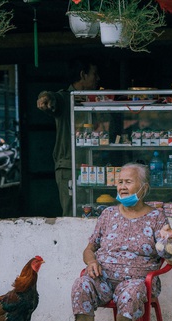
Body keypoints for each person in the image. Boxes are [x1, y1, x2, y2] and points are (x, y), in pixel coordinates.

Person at [71, 162, 172, 321]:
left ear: (143, 188)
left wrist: (169, 244)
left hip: (137, 281)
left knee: (133, 291)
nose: (121, 186)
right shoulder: (107, 215)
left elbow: (171, 257)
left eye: (128, 182)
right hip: (102, 278)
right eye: (119, 182)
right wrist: (91, 261)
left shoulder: (156, 217)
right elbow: (89, 248)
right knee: (80, 285)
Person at [36, 57, 101, 216]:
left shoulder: (93, 99)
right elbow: (52, 97)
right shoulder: (66, 98)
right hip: (70, 168)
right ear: (83, 75)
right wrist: (44, 98)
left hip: (92, 167)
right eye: (94, 74)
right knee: (72, 214)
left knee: (94, 213)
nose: (97, 78)